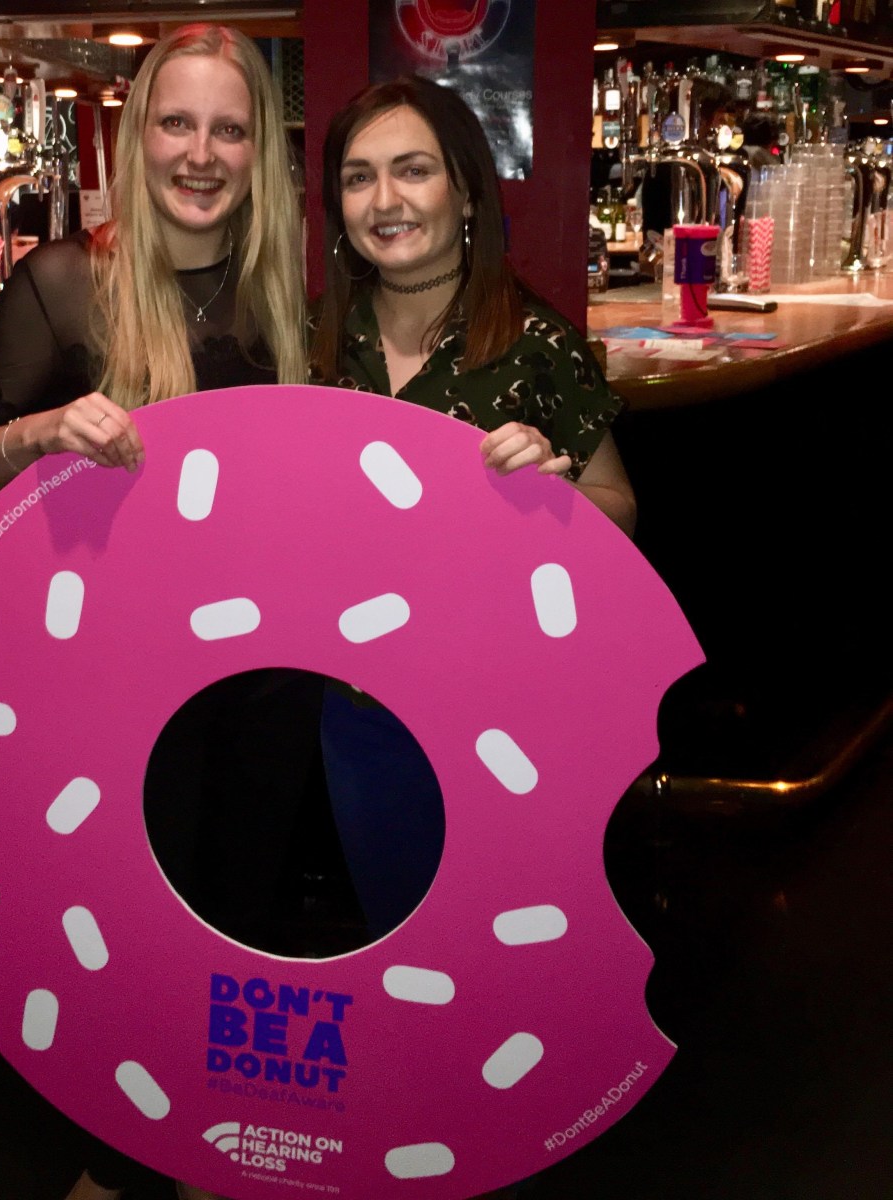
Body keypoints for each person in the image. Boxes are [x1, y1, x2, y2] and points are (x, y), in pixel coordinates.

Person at [0, 24, 308, 1200]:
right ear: (138, 135)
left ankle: (208, 1147)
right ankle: (121, 1151)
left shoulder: (301, 295)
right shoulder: (65, 285)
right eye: (178, 123)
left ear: (260, 152)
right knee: (130, 935)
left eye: (230, 128)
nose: (201, 153)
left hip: (272, 684)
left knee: (245, 928)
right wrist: (45, 433)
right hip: (120, 696)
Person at [310, 76, 637, 940]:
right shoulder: (314, 335)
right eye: (357, 177)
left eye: (411, 170)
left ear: (462, 190)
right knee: (395, 935)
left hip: (505, 705)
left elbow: (621, 508)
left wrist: (551, 496)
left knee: (505, 942)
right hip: (360, 707)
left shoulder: (538, 341)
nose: (384, 201)